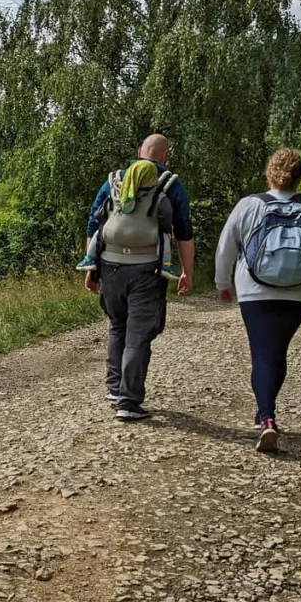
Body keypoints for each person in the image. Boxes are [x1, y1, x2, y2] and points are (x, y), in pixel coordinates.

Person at [215, 148, 301, 453]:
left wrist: (222, 282)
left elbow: (226, 246)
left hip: (255, 290)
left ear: (269, 172)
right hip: (300, 291)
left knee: (263, 351)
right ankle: (265, 412)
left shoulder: (248, 205)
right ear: (299, 175)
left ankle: (267, 418)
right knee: (275, 350)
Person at [85, 134, 195, 422]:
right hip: (147, 270)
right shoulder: (170, 185)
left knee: (117, 326)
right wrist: (186, 272)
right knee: (138, 335)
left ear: (138, 152)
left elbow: (94, 223)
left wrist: (91, 268)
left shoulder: (115, 181)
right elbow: (183, 231)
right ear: (165, 156)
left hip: (110, 267)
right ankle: (129, 401)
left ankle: (114, 388)